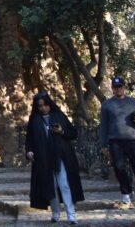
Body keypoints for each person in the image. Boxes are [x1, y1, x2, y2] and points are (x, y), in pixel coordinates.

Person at [25, 92, 84, 224]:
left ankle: (71, 214)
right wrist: (29, 151)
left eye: (45, 105)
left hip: (60, 156)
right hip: (43, 158)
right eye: (40, 106)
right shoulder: (34, 120)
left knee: (64, 184)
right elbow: (29, 139)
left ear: (49, 104)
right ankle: (55, 213)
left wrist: (62, 131)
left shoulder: (59, 116)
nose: (43, 108)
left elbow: (73, 133)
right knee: (50, 185)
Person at [99, 76, 135, 208]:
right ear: (112, 89)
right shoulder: (106, 105)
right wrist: (103, 145)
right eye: (115, 87)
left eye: (120, 86)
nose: (118, 89)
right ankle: (126, 194)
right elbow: (103, 126)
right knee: (119, 168)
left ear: (124, 87)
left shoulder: (134, 103)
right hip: (115, 141)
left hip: (133, 140)